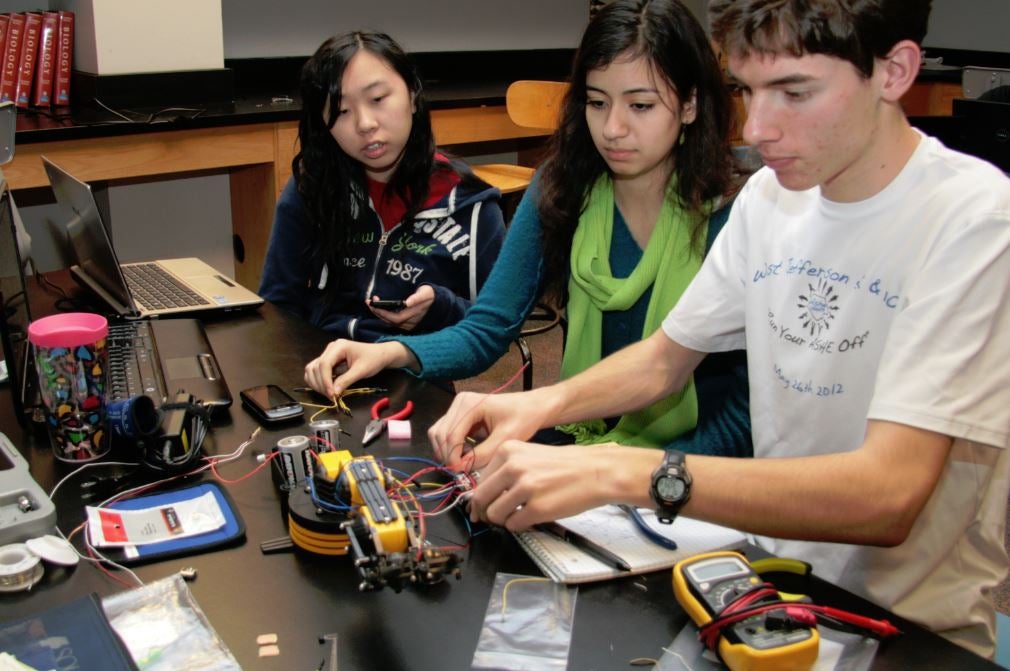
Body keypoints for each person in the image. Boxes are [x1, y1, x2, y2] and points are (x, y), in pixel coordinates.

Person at [429, 0, 1010, 658]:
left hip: (907, 623)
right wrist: (539, 404)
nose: (757, 127)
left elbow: (888, 493)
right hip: (768, 578)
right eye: (747, 90)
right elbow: (663, 360)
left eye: (793, 91)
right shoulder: (771, 200)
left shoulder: (973, 217)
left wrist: (621, 468)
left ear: (896, 70)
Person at [305, 0, 752, 458]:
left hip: (692, 466)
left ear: (691, 104)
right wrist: (391, 351)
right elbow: (488, 327)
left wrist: (632, 475)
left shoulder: (738, 214)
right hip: (582, 438)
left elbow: (747, 418)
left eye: (640, 105)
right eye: (596, 103)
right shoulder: (562, 187)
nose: (613, 128)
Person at [259, 31, 505, 342]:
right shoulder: (311, 189)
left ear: (413, 95)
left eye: (378, 99)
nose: (365, 124)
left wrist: (441, 308)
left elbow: (495, 326)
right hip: (319, 367)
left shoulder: (470, 204)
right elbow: (278, 306)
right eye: (341, 111)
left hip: (413, 374)